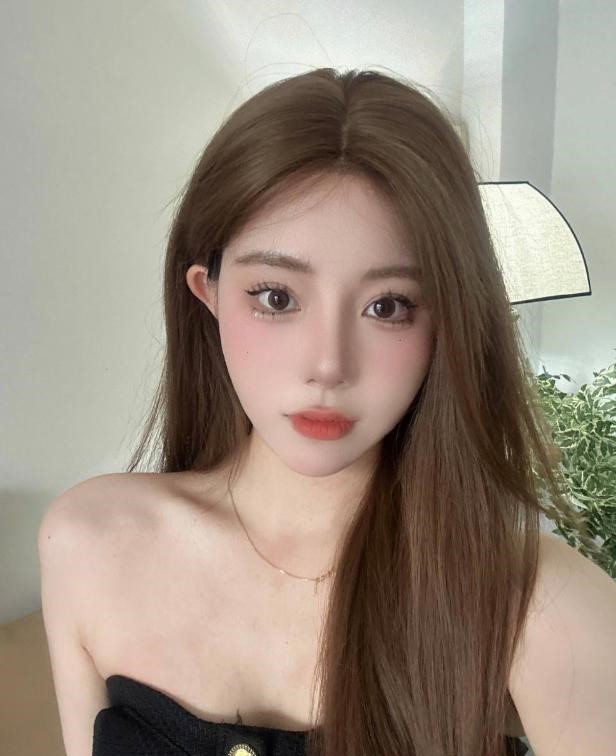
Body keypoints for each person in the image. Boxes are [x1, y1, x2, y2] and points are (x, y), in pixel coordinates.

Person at [38, 67, 616, 756]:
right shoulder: (91, 542)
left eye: (388, 306)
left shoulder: (543, 607)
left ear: (447, 321)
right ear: (208, 293)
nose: (329, 365)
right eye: (276, 297)